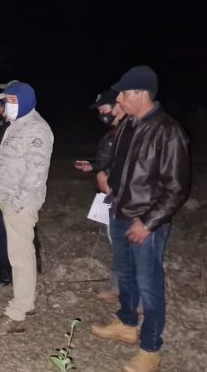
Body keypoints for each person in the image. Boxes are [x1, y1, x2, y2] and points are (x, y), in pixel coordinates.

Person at [91, 66, 190, 372]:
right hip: (120, 211)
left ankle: (151, 349)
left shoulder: (167, 131)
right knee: (126, 275)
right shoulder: (129, 125)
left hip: (145, 221)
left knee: (149, 285)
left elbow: (177, 188)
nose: (118, 98)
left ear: (142, 94)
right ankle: (127, 323)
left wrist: (148, 222)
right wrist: (106, 177)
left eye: (124, 92)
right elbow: (121, 167)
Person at [0, 82, 53, 335]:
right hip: (9, 200)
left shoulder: (35, 129)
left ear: (24, 100)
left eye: (11, 100)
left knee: (20, 258)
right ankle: (27, 300)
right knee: (22, 254)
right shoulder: (16, 125)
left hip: (20, 204)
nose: (6, 105)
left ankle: (17, 312)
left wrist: (18, 203)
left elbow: (36, 173)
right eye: (5, 100)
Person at [0, 93, 44, 286]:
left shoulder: (27, 128)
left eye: (6, 104)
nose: (2, 109)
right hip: (2, 191)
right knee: (0, 229)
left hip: (15, 194)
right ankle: (3, 262)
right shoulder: (6, 127)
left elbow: (29, 168)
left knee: (12, 233)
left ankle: (8, 271)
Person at [75, 89, 128, 301]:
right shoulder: (114, 132)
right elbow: (108, 161)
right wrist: (95, 167)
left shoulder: (131, 131)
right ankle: (118, 288)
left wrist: (107, 179)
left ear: (118, 104)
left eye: (103, 108)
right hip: (110, 195)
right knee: (115, 241)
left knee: (126, 245)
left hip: (123, 196)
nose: (101, 113)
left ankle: (132, 295)